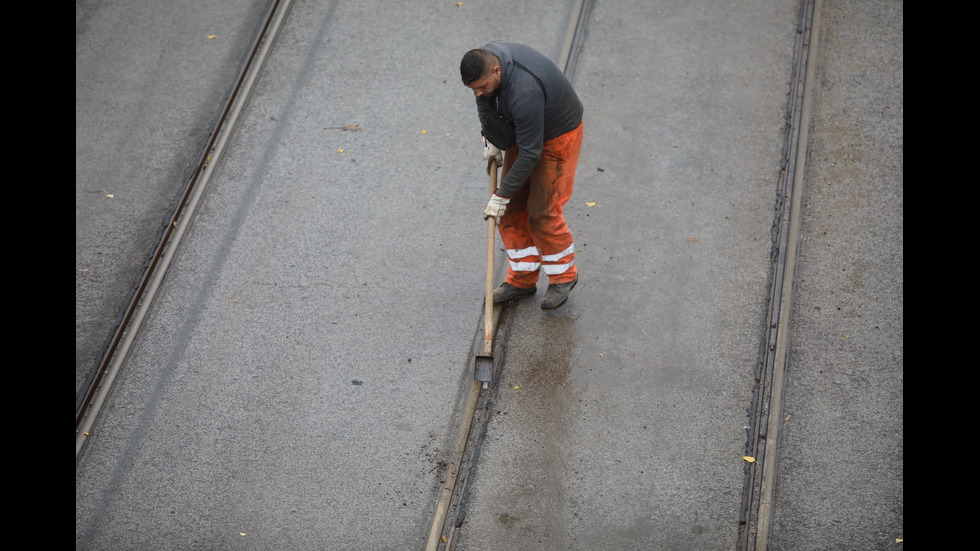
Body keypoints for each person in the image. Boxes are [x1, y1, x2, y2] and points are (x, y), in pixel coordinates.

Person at [460, 41, 584, 310]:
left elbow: (530, 154)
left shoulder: (523, 90)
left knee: (542, 211)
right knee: (512, 208)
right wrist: (489, 136)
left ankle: (563, 276)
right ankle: (522, 279)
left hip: (557, 135)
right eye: (474, 89)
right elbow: (484, 101)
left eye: (482, 86)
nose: (479, 93)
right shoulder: (484, 66)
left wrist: (501, 195)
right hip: (526, 130)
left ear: (497, 71)